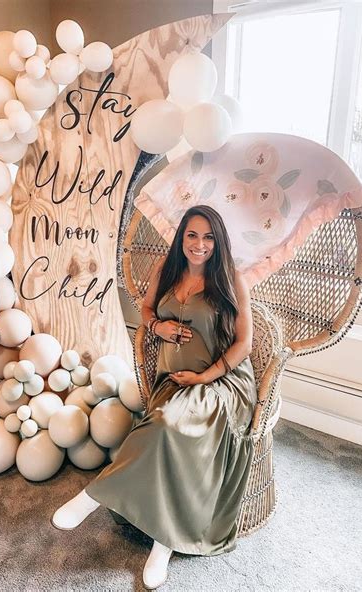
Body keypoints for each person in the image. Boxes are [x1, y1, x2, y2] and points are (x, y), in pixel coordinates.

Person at [51, 205, 258, 589]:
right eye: (192, 235)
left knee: (165, 424)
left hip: (220, 384)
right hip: (172, 381)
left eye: (209, 237)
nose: (200, 245)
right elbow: (146, 309)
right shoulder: (167, 268)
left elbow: (244, 343)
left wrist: (205, 375)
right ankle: (162, 538)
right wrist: (158, 325)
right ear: (182, 236)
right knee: (168, 430)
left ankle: (103, 503)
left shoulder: (231, 279)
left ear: (219, 241)